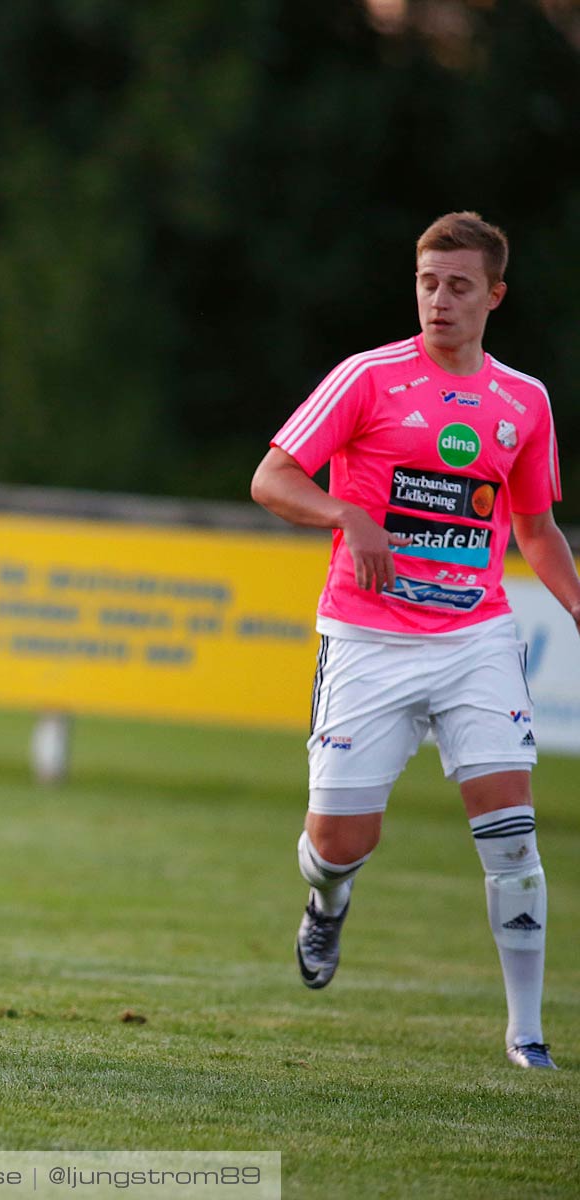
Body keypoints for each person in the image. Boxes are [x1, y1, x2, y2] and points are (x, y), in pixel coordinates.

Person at [251, 212, 577, 1070]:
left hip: (476, 640)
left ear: (494, 297)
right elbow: (272, 478)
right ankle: (325, 903)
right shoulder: (368, 378)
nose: (440, 300)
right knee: (338, 845)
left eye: (460, 286)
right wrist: (344, 512)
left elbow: (535, 528)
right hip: (367, 641)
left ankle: (527, 1033)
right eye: (429, 283)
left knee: (511, 837)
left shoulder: (525, 401)